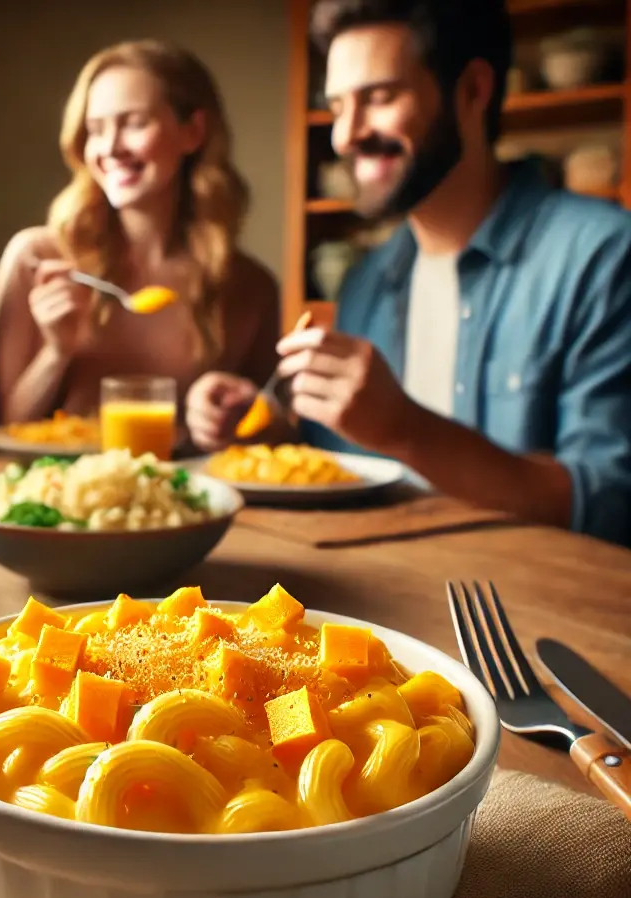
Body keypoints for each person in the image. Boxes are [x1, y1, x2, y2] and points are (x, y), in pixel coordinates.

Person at [186, 0, 631, 546]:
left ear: (472, 90)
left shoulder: (602, 254)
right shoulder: (369, 280)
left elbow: (608, 503)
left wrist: (406, 429)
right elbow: (343, 457)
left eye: (379, 97)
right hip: (388, 589)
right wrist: (263, 423)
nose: (345, 134)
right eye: (337, 105)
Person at [0, 39, 281, 426]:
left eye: (135, 123)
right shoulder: (35, 258)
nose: (110, 147)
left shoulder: (250, 287)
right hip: (59, 485)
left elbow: (263, 436)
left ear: (192, 132)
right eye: (95, 129)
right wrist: (56, 352)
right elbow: (3, 430)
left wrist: (232, 419)